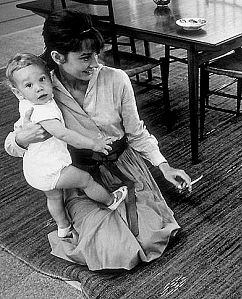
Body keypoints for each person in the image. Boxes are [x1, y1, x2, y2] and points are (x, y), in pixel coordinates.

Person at [4, 10, 192, 271]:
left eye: (96, 54)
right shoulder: (40, 89)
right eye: (84, 57)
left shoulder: (117, 80)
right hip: (81, 175)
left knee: (149, 237)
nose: (95, 62)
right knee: (113, 250)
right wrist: (22, 139)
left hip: (123, 167)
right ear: (58, 57)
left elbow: (136, 133)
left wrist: (164, 166)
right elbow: (13, 147)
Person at [5, 53, 128, 238]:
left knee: (54, 196)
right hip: (51, 169)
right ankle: (111, 200)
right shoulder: (43, 111)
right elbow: (64, 134)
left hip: (35, 169)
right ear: (17, 92)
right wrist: (94, 144)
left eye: (42, 79)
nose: (39, 88)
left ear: (49, 78)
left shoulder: (26, 102)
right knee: (85, 180)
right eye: (29, 85)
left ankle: (63, 227)